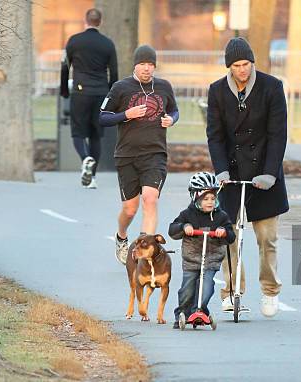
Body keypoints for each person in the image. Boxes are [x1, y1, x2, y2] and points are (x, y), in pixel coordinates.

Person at [206, 37, 289, 317]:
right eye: (237, 65)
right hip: (231, 174)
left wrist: (269, 172)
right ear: (229, 66)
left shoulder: (271, 87)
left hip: (266, 173)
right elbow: (215, 136)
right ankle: (231, 291)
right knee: (229, 236)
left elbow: (278, 134)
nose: (242, 70)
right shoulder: (217, 91)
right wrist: (221, 170)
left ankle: (270, 290)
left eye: (246, 64)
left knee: (267, 237)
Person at [99, 44, 179, 265]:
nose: (147, 69)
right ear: (135, 65)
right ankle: (121, 236)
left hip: (155, 153)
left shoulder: (163, 86)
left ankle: (145, 251)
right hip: (127, 155)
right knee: (130, 209)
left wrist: (171, 119)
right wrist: (126, 114)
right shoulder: (120, 88)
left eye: (151, 65)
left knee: (150, 199)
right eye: (143, 64)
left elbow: (174, 110)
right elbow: (103, 117)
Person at [168, 172, 236, 329]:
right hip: (191, 260)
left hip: (211, 261)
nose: (210, 202)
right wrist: (184, 227)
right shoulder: (187, 214)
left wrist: (223, 232)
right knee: (187, 290)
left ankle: (199, 311)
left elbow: (231, 236)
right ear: (196, 197)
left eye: (213, 198)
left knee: (206, 288)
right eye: (206, 199)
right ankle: (182, 314)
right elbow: (172, 230)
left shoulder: (221, 216)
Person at [60, 8, 117, 189]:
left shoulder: (74, 41)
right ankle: (91, 178)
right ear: (100, 22)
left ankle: (86, 159)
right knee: (95, 136)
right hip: (100, 93)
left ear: (86, 21)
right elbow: (114, 73)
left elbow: (65, 67)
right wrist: (110, 95)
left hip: (80, 92)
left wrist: (64, 90)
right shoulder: (107, 44)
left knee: (78, 132)